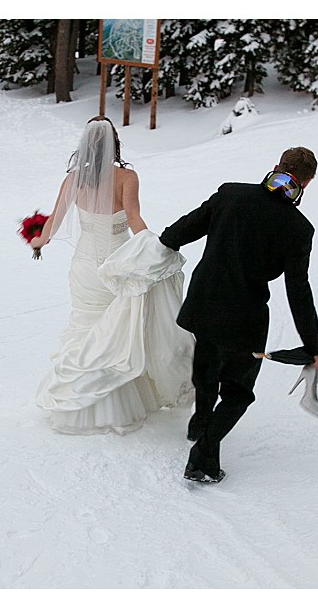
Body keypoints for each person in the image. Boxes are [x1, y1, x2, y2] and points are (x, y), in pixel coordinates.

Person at [158, 147, 318, 483]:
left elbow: (177, 233)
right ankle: (203, 452)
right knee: (238, 392)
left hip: (204, 303)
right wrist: (315, 347)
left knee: (206, 366)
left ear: (277, 166)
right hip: (245, 317)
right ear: (307, 182)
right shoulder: (298, 228)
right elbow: (298, 292)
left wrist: (166, 243)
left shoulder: (231, 194)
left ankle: (200, 423)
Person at [29, 117, 195, 434]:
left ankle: (76, 402)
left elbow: (53, 223)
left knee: (85, 328)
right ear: (115, 145)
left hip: (84, 267)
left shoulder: (73, 181)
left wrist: (38, 241)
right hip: (118, 267)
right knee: (115, 332)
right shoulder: (127, 178)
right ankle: (118, 401)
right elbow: (134, 219)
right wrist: (154, 249)